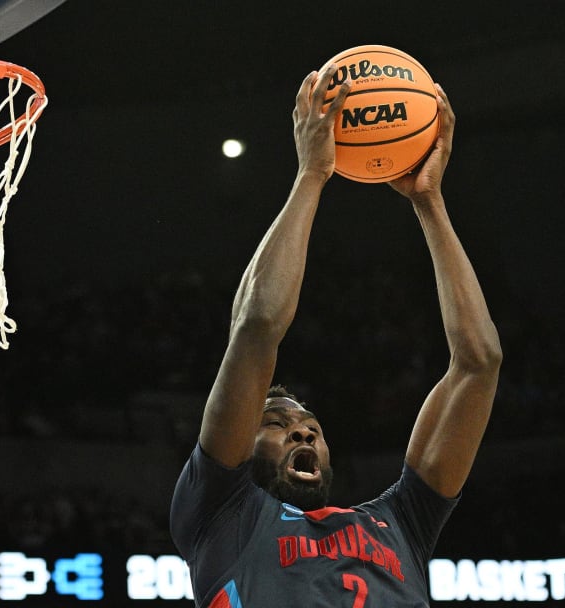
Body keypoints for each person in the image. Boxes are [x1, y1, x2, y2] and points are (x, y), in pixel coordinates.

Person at [170, 63, 502, 607]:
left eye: (311, 428)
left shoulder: (402, 522)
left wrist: (429, 201)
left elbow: (479, 362)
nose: (303, 435)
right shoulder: (220, 512)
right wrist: (311, 175)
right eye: (276, 425)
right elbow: (256, 328)